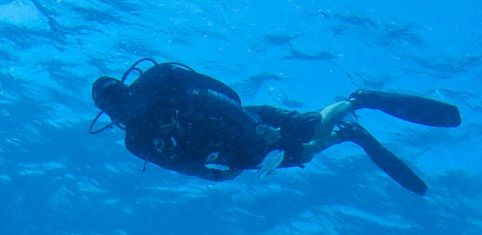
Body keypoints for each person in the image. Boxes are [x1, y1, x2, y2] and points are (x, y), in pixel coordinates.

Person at [90, 59, 460, 194]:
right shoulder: (135, 140)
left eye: (116, 95)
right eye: (110, 104)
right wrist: (211, 175)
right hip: (234, 152)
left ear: (125, 86)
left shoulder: (158, 88)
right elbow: (172, 162)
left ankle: (358, 100)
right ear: (106, 113)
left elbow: (213, 97)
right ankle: (350, 133)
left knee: (310, 126)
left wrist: (254, 125)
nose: (119, 105)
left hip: (249, 122)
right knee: (303, 154)